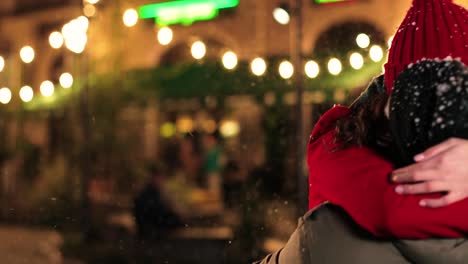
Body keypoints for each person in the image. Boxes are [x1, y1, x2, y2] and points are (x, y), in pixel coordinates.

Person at [133, 163, 182, 240]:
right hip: (152, 238)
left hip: (147, 235)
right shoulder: (150, 194)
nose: (162, 180)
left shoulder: (149, 192)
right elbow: (160, 216)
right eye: (161, 177)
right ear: (155, 177)